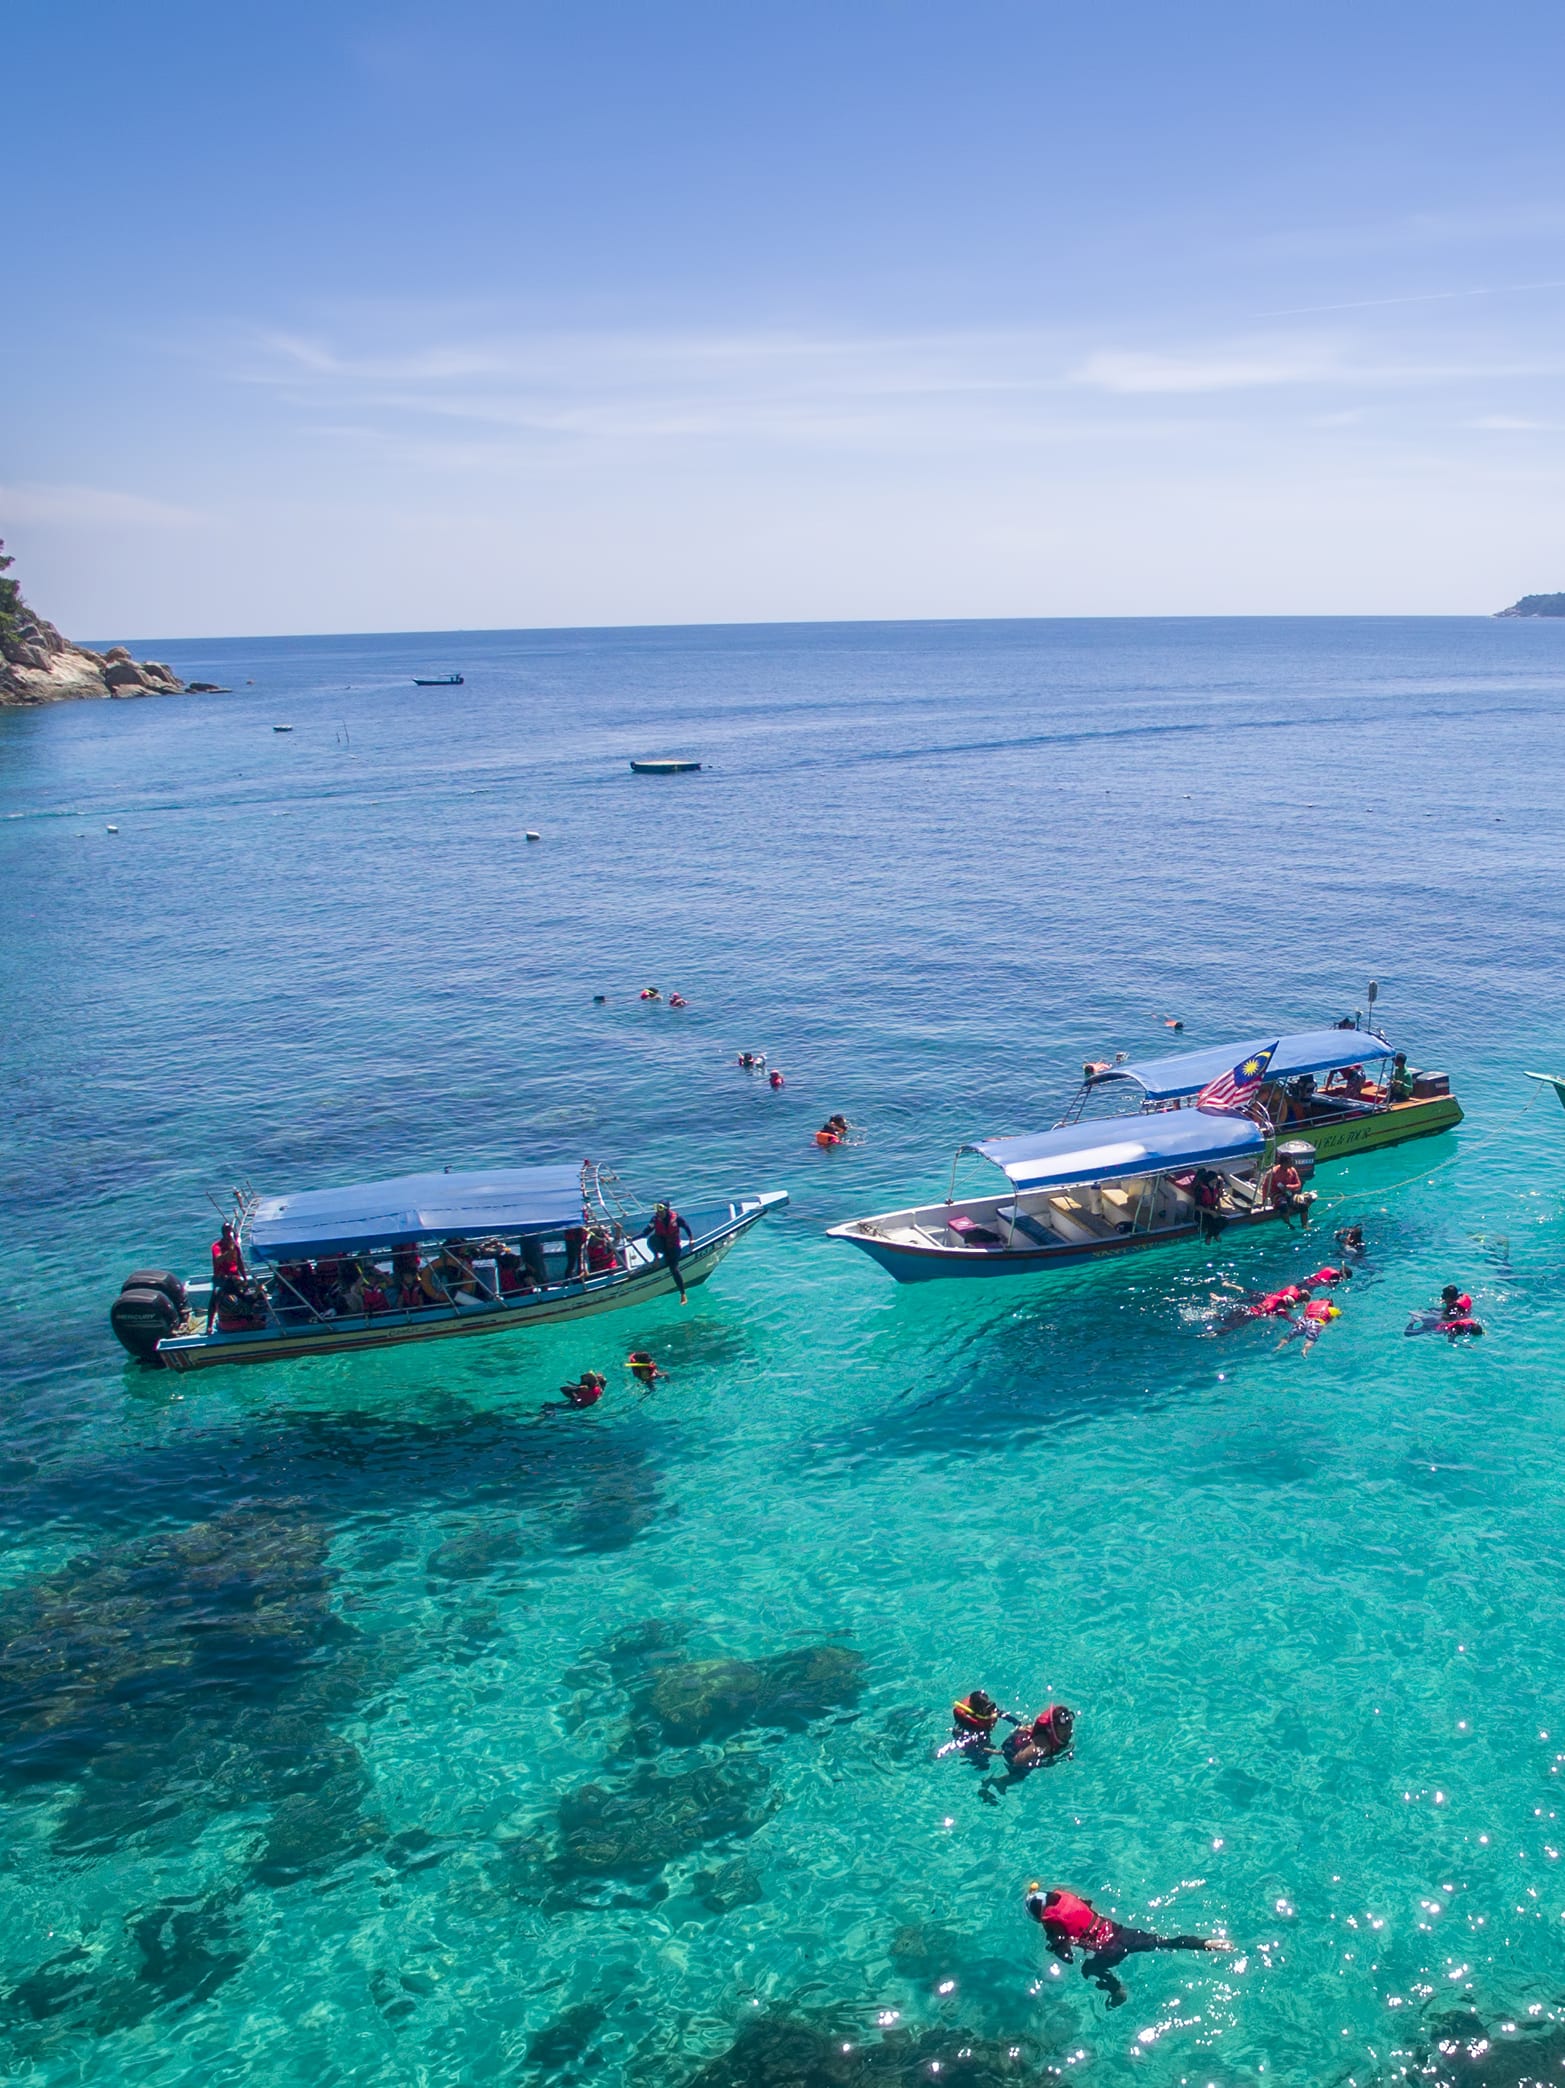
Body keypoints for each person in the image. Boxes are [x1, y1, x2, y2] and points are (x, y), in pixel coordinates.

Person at [1024, 1886, 1230, 2009]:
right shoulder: (1067, 1898)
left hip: (1107, 1951)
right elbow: (1087, 1904)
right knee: (1164, 1942)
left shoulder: (1051, 1924)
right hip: (1122, 1933)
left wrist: (1055, 1948)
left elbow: (1067, 1957)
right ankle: (1205, 1944)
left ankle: (1117, 1991)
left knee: (1088, 1969)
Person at [980, 1706, 1075, 1801]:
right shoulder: (1043, 1744)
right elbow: (1018, 1761)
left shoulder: (1057, 1737)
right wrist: (1043, 1763)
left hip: (1024, 1739)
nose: (1068, 1732)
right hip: (1013, 1750)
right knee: (1021, 1774)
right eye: (1064, 1730)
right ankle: (996, 1782)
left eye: (1069, 1727)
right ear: (1053, 1729)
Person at [649, 1202, 693, 1301]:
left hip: (673, 1247)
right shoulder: (655, 1219)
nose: (658, 1212)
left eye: (660, 1209)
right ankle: (655, 1258)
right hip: (662, 1246)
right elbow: (646, 1232)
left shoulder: (677, 1218)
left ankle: (682, 1294)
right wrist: (633, 1238)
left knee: (673, 1268)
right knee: (652, 1239)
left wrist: (691, 1239)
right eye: (657, 1210)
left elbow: (686, 1227)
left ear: (666, 1209)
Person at [206, 1221, 246, 1330]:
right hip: (221, 1278)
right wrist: (229, 1250)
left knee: (245, 1294)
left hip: (234, 1277)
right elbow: (218, 1259)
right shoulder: (216, 1246)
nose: (229, 1234)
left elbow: (240, 1263)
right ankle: (209, 1325)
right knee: (215, 1296)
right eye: (227, 1232)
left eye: (230, 1232)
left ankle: (246, 1317)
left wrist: (245, 1278)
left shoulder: (235, 1246)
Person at [1275, 1297, 1340, 1353]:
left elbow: (1304, 1314)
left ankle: (1279, 1346)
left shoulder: (1310, 1305)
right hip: (1315, 1322)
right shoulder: (1332, 1309)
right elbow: (1337, 1317)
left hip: (1303, 1321)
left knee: (1291, 1335)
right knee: (1311, 1339)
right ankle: (1305, 1350)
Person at [1266, 1154, 1311, 1228]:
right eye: (1291, 1162)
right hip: (1276, 1194)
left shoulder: (1292, 1170)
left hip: (1289, 1193)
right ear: (1284, 1163)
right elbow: (1265, 1187)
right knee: (1283, 1204)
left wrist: (1289, 1187)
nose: (1292, 1163)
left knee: (1303, 1204)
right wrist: (1265, 1199)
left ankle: (1305, 1225)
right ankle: (1289, 1224)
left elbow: (1298, 1184)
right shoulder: (1273, 1172)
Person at [1192, 1168, 1225, 1242]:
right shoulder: (1201, 1190)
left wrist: (1219, 1209)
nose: (1214, 1185)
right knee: (1213, 1221)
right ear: (1207, 1181)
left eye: (1215, 1183)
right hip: (1202, 1213)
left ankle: (1210, 1235)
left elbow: (1216, 1198)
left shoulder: (1215, 1188)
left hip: (1211, 1210)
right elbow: (1196, 1206)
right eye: (1212, 1183)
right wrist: (1211, 1212)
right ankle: (1214, 1235)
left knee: (1224, 1222)